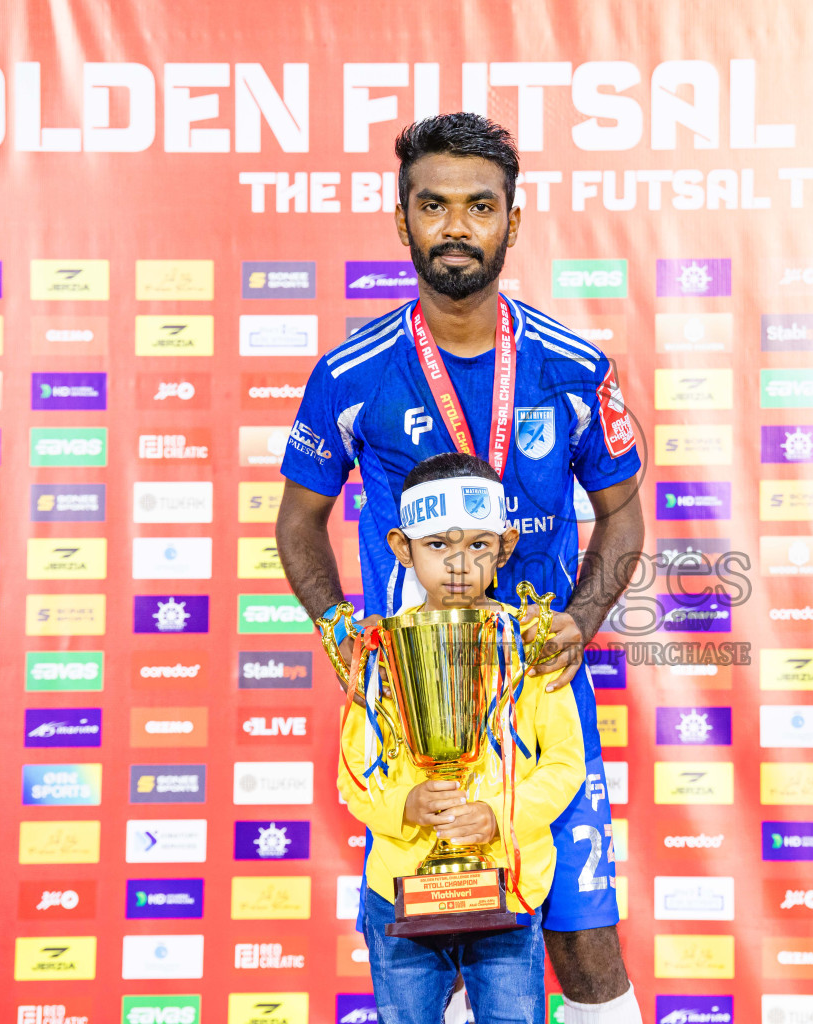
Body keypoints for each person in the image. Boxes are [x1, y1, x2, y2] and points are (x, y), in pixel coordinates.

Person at [276, 113, 644, 1023]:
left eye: (479, 207)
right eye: (432, 205)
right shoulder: (350, 372)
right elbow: (298, 524)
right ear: (401, 220)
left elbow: (624, 515)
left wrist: (579, 625)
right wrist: (341, 639)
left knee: (583, 938)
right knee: (425, 936)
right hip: (408, 706)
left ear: (511, 222)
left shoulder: (573, 364)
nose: (455, 226)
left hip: (537, 699)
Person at [340, 452, 584, 1023]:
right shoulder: (379, 652)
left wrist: (498, 814)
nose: (459, 565)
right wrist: (404, 804)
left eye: (478, 545)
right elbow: (353, 772)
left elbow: (565, 762)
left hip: (508, 883)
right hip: (399, 887)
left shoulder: (529, 645)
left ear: (505, 546)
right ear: (401, 548)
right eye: (438, 545)